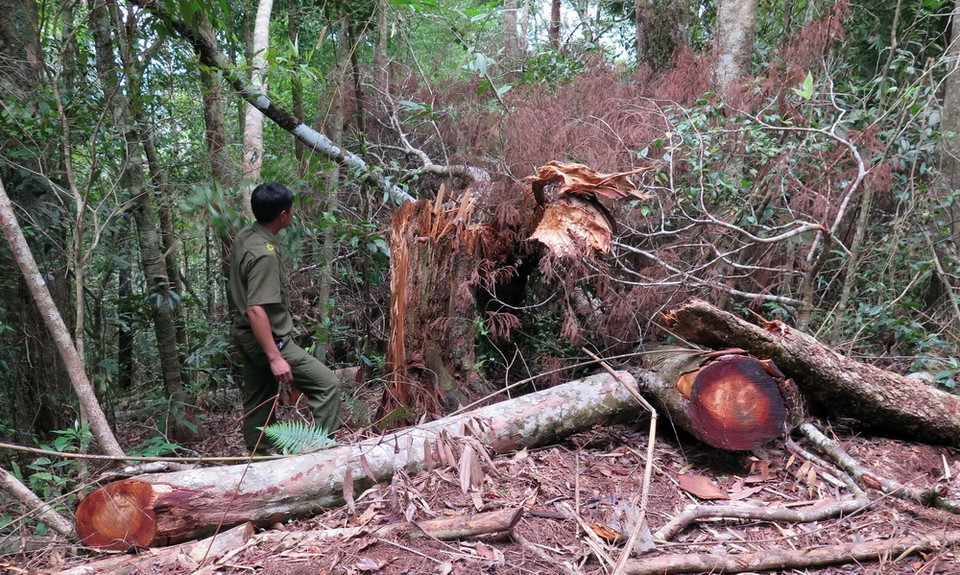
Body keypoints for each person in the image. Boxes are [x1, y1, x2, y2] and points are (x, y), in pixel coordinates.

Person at [229, 182, 341, 454]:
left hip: (246, 334)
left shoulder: (246, 236)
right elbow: (256, 309)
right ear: (283, 215)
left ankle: (261, 460)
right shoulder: (263, 255)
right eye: (291, 209)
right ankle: (319, 456)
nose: (293, 212)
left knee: (259, 400)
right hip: (267, 339)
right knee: (328, 386)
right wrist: (275, 357)